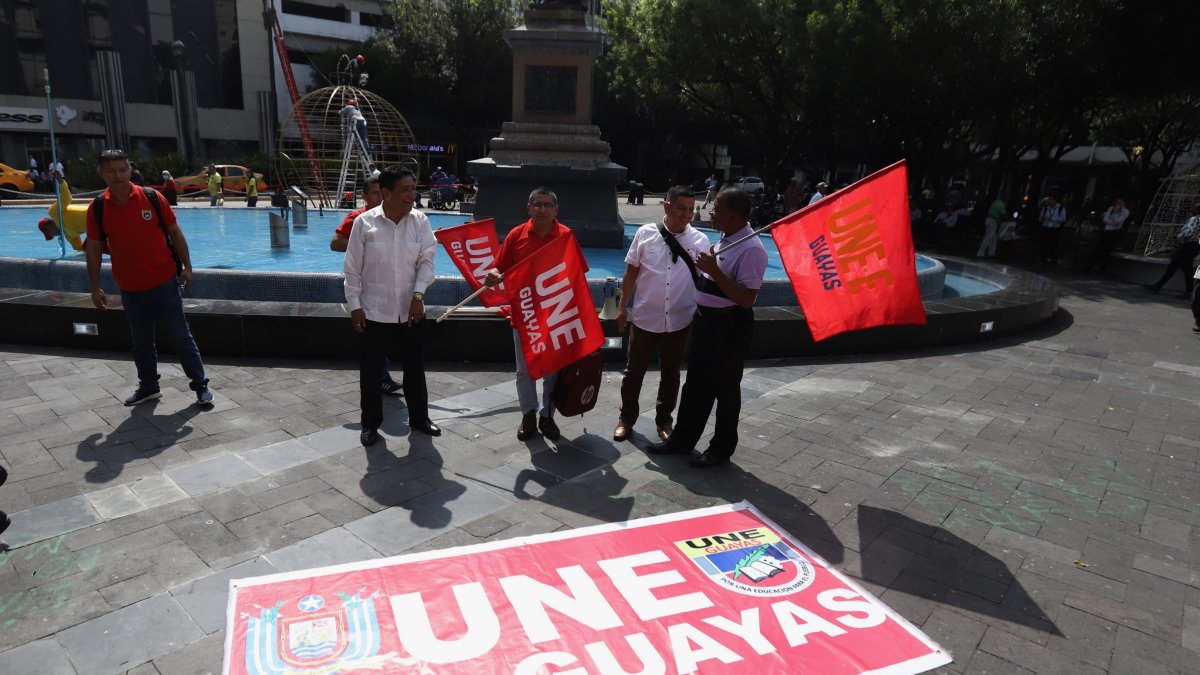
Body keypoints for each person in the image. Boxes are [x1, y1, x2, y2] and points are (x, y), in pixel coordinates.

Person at [646, 188, 767, 468]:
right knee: (696, 385)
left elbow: (746, 299)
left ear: (734, 215)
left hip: (728, 327)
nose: (710, 212)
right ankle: (682, 440)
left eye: (717, 209)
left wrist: (714, 271)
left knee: (725, 390)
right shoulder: (728, 238)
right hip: (707, 322)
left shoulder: (752, 249)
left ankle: (721, 449)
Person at [85, 149, 212, 406]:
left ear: (130, 169)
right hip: (130, 288)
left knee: (180, 336)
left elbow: (175, 233)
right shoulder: (98, 207)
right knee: (141, 341)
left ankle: (200, 386)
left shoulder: (152, 197)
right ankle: (149, 386)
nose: (117, 175)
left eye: (122, 169)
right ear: (101, 173)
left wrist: (188, 266)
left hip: (164, 282)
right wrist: (95, 287)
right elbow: (95, 248)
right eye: (110, 170)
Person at [343, 167, 440, 446]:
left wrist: (418, 296)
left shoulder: (420, 221)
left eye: (413, 188)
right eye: (405, 189)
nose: (412, 194)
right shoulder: (364, 223)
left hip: (412, 310)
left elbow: (427, 262)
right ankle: (370, 424)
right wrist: (355, 307)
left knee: (414, 369)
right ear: (386, 193)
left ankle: (420, 419)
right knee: (371, 373)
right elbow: (352, 270)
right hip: (374, 310)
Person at [483, 187, 587, 442]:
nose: (542, 209)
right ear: (528, 208)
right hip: (525, 311)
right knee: (524, 369)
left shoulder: (565, 236)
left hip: (554, 312)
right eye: (537, 204)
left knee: (553, 368)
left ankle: (547, 415)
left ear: (556, 209)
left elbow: (577, 275)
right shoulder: (516, 235)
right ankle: (528, 413)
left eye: (548, 205)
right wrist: (494, 274)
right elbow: (499, 265)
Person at [613, 185, 709, 444]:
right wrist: (623, 306)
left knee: (671, 373)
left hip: (680, 320)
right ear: (667, 206)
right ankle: (626, 418)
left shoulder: (700, 240)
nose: (686, 214)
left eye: (691, 209)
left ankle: (664, 420)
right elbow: (631, 272)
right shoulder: (645, 234)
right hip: (646, 317)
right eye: (681, 208)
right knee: (633, 372)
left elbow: (705, 280)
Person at [331, 176, 403, 396]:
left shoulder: (396, 217)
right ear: (364, 196)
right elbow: (335, 243)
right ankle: (380, 379)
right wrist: (363, 244)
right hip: (365, 288)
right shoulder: (358, 218)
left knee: (381, 337)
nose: (380, 197)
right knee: (373, 338)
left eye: (381, 192)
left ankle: (382, 376)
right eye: (374, 193)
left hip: (385, 289)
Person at [1145, 203, 1200, 297]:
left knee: (1185, 270)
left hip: (1188, 246)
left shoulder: (1195, 219)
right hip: (1195, 246)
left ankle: (1189, 292)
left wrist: (1178, 236)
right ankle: (1157, 286)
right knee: (1174, 267)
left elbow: (1188, 232)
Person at [1085, 197, 1130, 272]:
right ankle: (1088, 267)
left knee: (1108, 251)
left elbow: (1118, 221)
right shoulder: (1111, 208)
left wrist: (1116, 213)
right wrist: (1112, 222)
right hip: (1107, 231)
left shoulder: (1125, 211)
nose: (1117, 204)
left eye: (1120, 203)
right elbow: (1105, 219)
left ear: (1123, 204)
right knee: (1098, 249)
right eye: (1116, 202)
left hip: (1115, 232)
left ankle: (1102, 269)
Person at [1038, 195, 1068, 265]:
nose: (1048, 201)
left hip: (1055, 229)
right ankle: (1043, 260)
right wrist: (1042, 218)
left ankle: (1053, 261)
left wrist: (1052, 219)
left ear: (1054, 201)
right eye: (1048, 200)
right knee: (1044, 245)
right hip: (1045, 228)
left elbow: (1063, 219)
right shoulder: (1046, 208)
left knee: (1054, 245)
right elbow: (1040, 217)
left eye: (1050, 200)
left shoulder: (1060, 208)